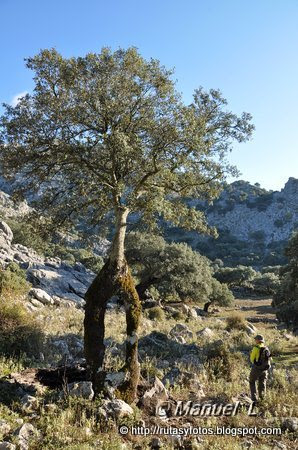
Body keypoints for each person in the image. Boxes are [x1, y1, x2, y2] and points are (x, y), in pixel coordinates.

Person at [249, 334, 271, 403]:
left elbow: (252, 359)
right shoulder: (266, 348)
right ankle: (262, 399)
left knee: (252, 381)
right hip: (265, 369)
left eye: (256, 339)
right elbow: (270, 359)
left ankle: (254, 399)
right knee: (262, 383)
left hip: (257, 368)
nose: (255, 340)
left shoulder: (256, 348)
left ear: (258, 340)